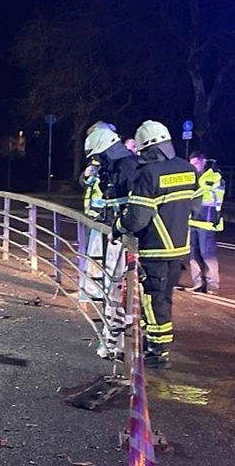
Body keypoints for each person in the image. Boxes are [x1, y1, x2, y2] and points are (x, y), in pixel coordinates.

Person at [120, 120, 199, 368]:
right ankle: (158, 346)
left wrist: (118, 226)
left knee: (153, 299)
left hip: (155, 248)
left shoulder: (148, 174)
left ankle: (157, 351)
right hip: (180, 249)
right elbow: (195, 206)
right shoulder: (187, 168)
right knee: (165, 297)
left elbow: (137, 219)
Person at [81, 122, 138, 358]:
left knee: (121, 291)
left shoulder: (127, 167)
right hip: (115, 234)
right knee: (112, 289)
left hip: (127, 238)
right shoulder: (113, 166)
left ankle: (119, 342)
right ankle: (112, 339)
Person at [187, 152, 225, 293]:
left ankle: (212, 285)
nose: (194, 167)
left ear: (203, 162)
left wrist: (197, 192)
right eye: (191, 164)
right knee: (192, 255)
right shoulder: (191, 177)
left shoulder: (214, 176)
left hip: (206, 222)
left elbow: (216, 198)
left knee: (207, 255)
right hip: (191, 221)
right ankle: (197, 283)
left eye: (196, 163)